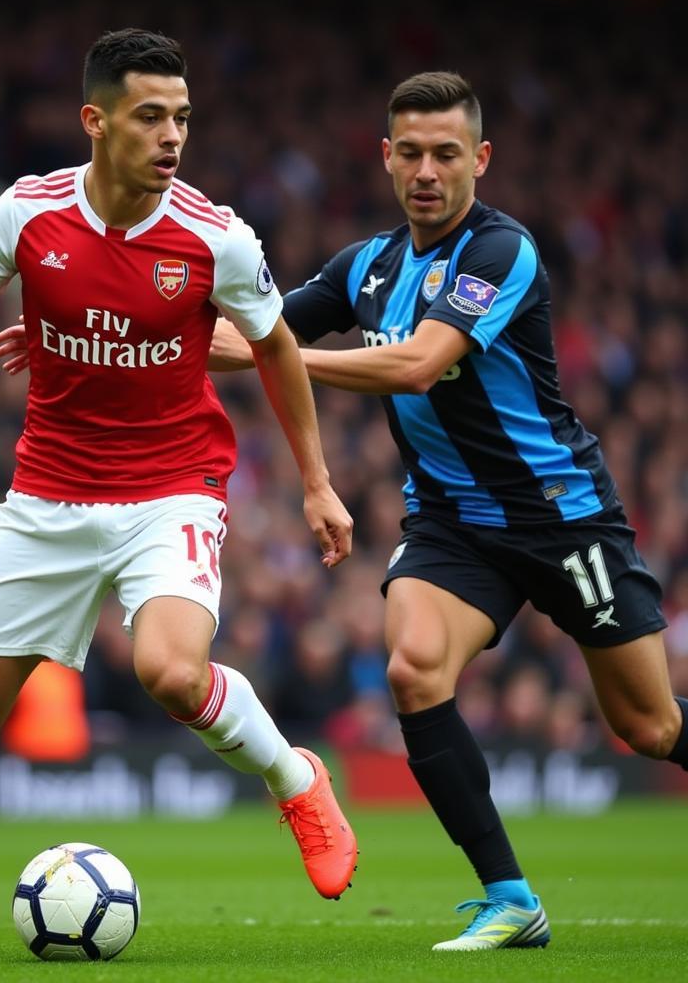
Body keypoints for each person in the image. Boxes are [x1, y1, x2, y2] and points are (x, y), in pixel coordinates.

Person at [0, 29, 357, 956]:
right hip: (49, 495)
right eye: (151, 117)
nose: (172, 138)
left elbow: (277, 345)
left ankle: (296, 782)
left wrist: (317, 484)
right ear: (96, 120)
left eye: (183, 119)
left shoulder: (215, 235)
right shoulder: (28, 214)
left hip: (172, 488)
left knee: (169, 671)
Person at [207, 71, 688, 952]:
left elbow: (419, 363)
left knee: (649, 727)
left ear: (481, 160)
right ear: (386, 158)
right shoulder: (366, 266)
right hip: (454, 522)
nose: (428, 171)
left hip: (561, 517)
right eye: (412, 153)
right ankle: (511, 898)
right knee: (413, 670)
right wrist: (127, 336)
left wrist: (293, 361)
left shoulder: (504, 252)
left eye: (447, 154)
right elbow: (250, 334)